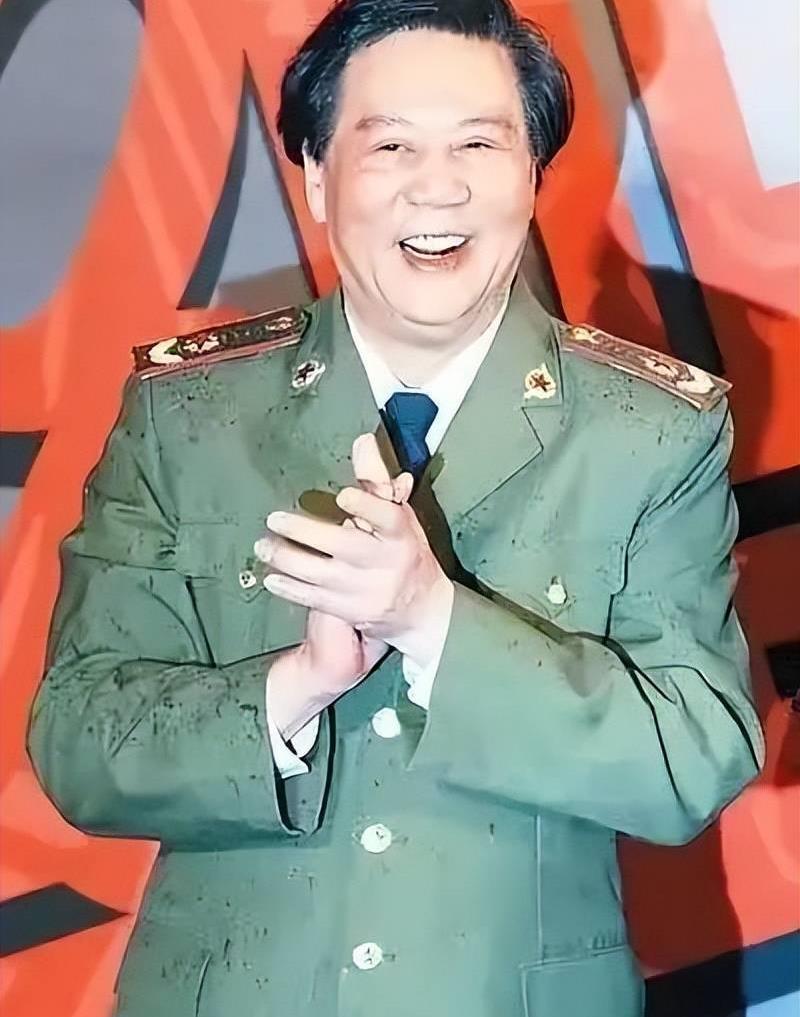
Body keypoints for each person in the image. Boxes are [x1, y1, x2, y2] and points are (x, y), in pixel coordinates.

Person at [27, 1, 764, 1015]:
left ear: (533, 173)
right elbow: (77, 744)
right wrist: (293, 686)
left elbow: (691, 761)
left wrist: (434, 621)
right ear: (317, 175)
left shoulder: (649, 431)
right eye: (390, 145)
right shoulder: (187, 416)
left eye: (478, 143)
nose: (437, 184)